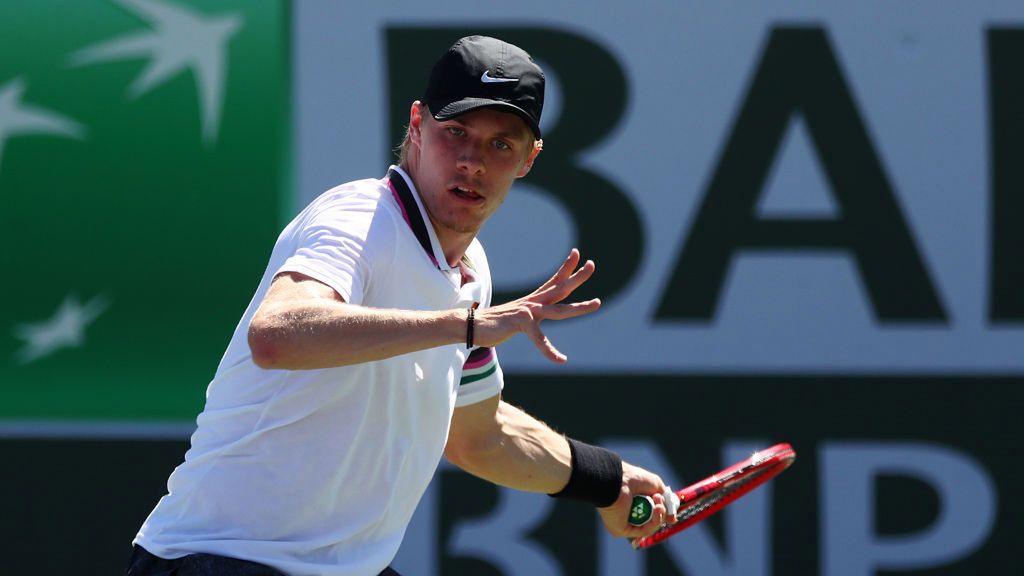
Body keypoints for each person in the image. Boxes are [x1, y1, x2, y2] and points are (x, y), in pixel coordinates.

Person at [127, 35, 675, 576]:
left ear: (529, 159)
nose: (472, 162)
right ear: (416, 125)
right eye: (455, 132)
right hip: (219, 559)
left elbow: (478, 436)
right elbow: (276, 335)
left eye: (500, 145)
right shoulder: (359, 219)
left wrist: (608, 480)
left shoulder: (470, 270)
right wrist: (462, 325)